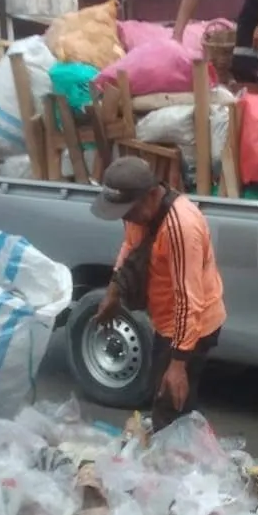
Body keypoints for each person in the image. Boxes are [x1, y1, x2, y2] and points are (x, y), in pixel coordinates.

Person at [92, 156, 226, 430]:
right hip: (168, 322)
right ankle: (186, 452)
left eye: (129, 211)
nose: (126, 218)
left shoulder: (181, 227)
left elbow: (189, 300)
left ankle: (179, 465)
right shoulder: (138, 213)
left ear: (152, 194)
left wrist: (177, 365)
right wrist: (113, 291)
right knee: (172, 402)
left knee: (169, 408)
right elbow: (130, 248)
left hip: (194, 327)